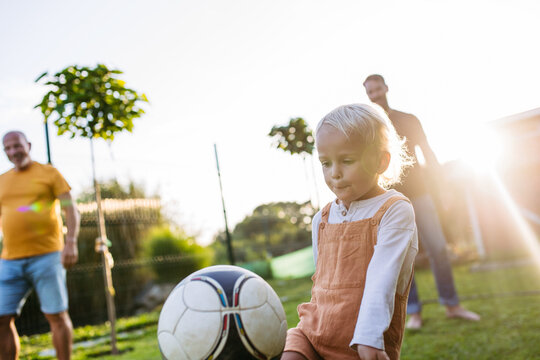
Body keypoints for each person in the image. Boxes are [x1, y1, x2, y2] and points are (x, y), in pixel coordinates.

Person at [283, 104, 418, 360]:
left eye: (347, 160)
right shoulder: (321, 219)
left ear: (381, 160)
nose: (334, 173)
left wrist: (369, 337)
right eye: (325, 163)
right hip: (312, 333)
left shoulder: (394, 210)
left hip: (363, 344)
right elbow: (321, 282)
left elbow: (383, 277)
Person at [363, 74, 480, 329]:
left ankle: (452, 305)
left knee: (438, 248)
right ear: (367, 95)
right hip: (390, 200)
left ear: (386, 88)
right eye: (369, 92)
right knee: (404, 257)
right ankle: (414, 312)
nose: (375, 95)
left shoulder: (408, 120)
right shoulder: (370, 128)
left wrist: (444, 189)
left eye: (377, 89)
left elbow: (428, 152)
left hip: (421, 193)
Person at [0, 131, 80, 360]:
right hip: (9, 260)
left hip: (47, 257)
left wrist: (71, 242)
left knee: (56, 315)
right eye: (7, 149)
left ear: (29, 145)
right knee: (1, 318)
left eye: (17, 146)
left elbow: (70, 208)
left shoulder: (49, 173)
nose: (13, 152)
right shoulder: (2, 181)